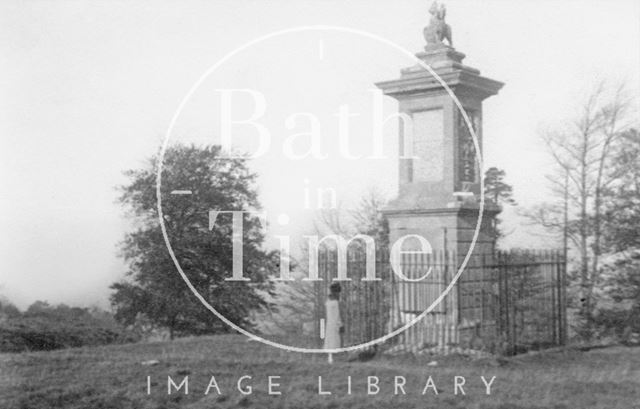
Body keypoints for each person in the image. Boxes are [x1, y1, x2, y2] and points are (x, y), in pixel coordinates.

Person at [324, 282, 344, 363]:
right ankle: (332, 358)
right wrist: (340, 324)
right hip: (334, 323)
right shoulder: (335, 302)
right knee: (334, 340)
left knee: (330, 339)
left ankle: (331, 357)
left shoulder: (328, 301)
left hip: (330, 323)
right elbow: (337, 315)